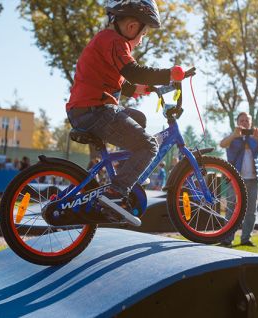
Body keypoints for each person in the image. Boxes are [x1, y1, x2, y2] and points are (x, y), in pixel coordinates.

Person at [65, 0, 187, 219]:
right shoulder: (114, 41)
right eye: (144, 34)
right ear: (132, 27)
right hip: (95, 111)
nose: (141, 40)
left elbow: (120, 80)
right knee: (149, 146)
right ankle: (116, 193)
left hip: (87, 110)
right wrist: (169, 74)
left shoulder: (104, 40)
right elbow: (133, 71)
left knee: (137, 117)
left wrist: (139, 89)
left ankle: (126, 169)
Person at [218, 112, 258, 247]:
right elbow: (222, 144)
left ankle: (246, 239)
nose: (245, 123)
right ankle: (227, 239)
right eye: (242, 120)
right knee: (231, 209)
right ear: (237, 122)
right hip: (235, 179)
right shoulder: (233, 136)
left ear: (251, 123)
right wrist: (234, 135)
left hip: (253, 179)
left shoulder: (255, 138)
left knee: (251, 211)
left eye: (247, 120)